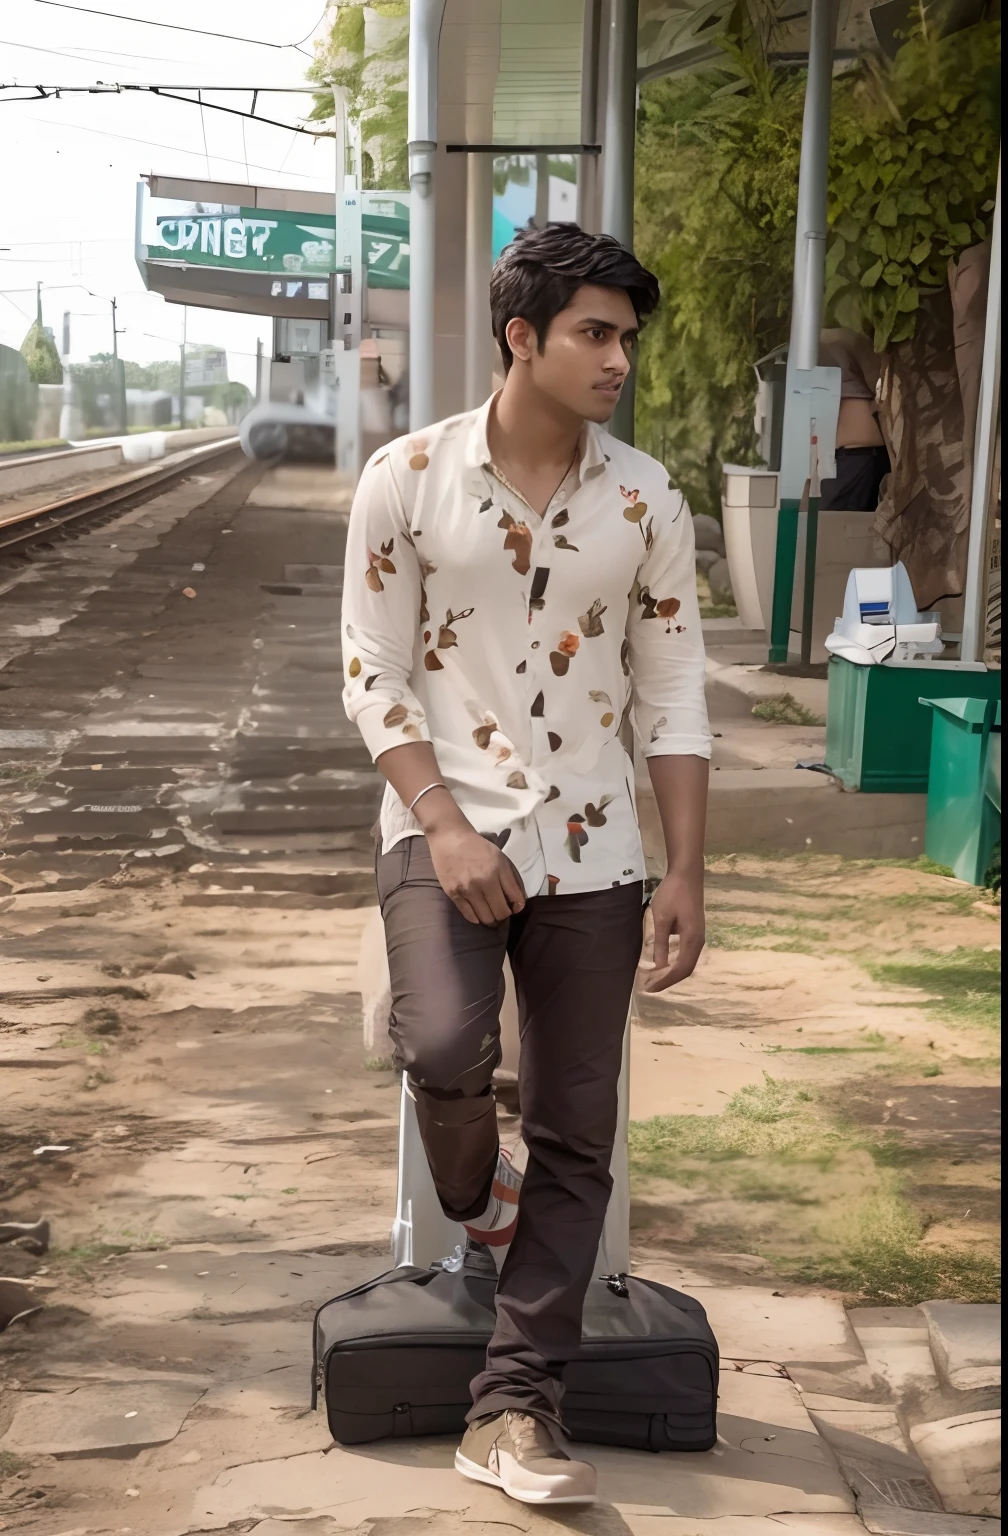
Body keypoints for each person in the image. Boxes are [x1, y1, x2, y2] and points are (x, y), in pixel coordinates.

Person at [341, 222, 711, 1507]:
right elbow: (371, 672)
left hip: (597, 848)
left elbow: (672, 696)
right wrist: (442, 824)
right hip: (440, 828)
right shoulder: (407, 475)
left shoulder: (646, 499)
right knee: (443, 1046)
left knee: (577, 1125)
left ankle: (514, 1412)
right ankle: (474, 1197)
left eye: (625, 337)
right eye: (594, 334)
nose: (618, 359)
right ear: (523, 337)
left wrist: (686, 873)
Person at [818, 329, 891, 510]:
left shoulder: (840, 339)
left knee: (833, 528)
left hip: (856, 459)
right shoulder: (843, 340)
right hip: (859, 456)